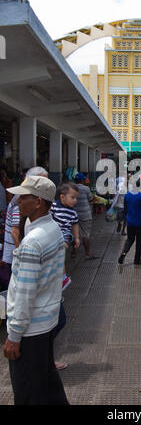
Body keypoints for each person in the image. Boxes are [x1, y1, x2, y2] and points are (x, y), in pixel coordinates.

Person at [3, 175, 69, 405]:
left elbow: (24, 293)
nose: (18, 201)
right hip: (46, 322)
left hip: (30, 330)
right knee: (48, 384)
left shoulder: (32, 242)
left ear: (39, 202)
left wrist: (13, 335)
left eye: (24, 197)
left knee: (29, 393)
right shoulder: (53, 229)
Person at [50, 182, 80, 291]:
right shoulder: (53, 206)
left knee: (61, 250)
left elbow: (75, 225)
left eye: (76, 198)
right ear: (62, 197)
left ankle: (63, 278)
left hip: (65, 235)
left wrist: (76, 238)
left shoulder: (73, 213)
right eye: (72, 197)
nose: (75, 200)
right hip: (53, 233)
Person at [118, 179, 141, 265]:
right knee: (139, 241)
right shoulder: (140, 196)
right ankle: (137, 260)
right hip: (139, 222)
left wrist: (125, 223)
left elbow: (125, 210)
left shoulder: (127, 195)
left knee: (130, 239)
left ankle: (124, 252)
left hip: (130, 222)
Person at [72, 173, 98, 260]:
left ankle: (73, 253)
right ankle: (87, 254)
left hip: (74, 214)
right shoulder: (85, 188)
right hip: (85, 215)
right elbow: (91, 199)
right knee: (85, 234)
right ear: (82, 180)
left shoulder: (71, 188)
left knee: (74, 234)